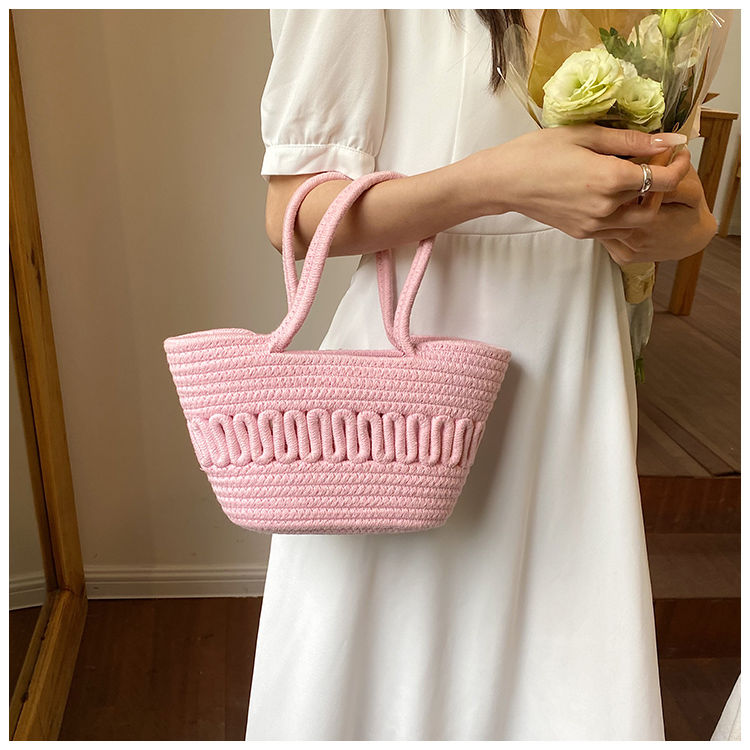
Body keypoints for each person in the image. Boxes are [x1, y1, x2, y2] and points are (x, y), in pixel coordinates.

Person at [245, 10, 722, 741]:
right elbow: (293, 212)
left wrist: (681, 226)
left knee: (562, 680)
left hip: (576, 372)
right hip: (416, 393)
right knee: (391, 680)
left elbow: (669, 206)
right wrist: (496, 182)